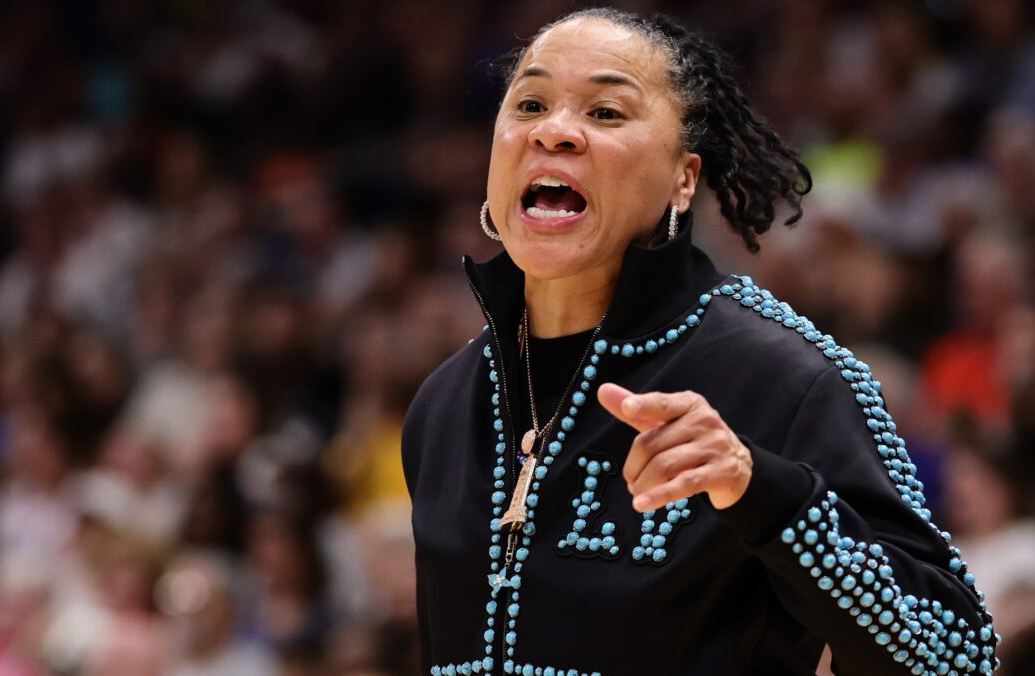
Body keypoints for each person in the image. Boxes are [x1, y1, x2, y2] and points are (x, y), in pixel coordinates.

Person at [403, 9, 999, 675]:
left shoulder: (786, 381)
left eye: (605, 112)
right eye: (531, 104)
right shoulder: (444, 404)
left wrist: (762, 491)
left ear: (683, 179)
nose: (554, 131)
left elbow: (956, 658)